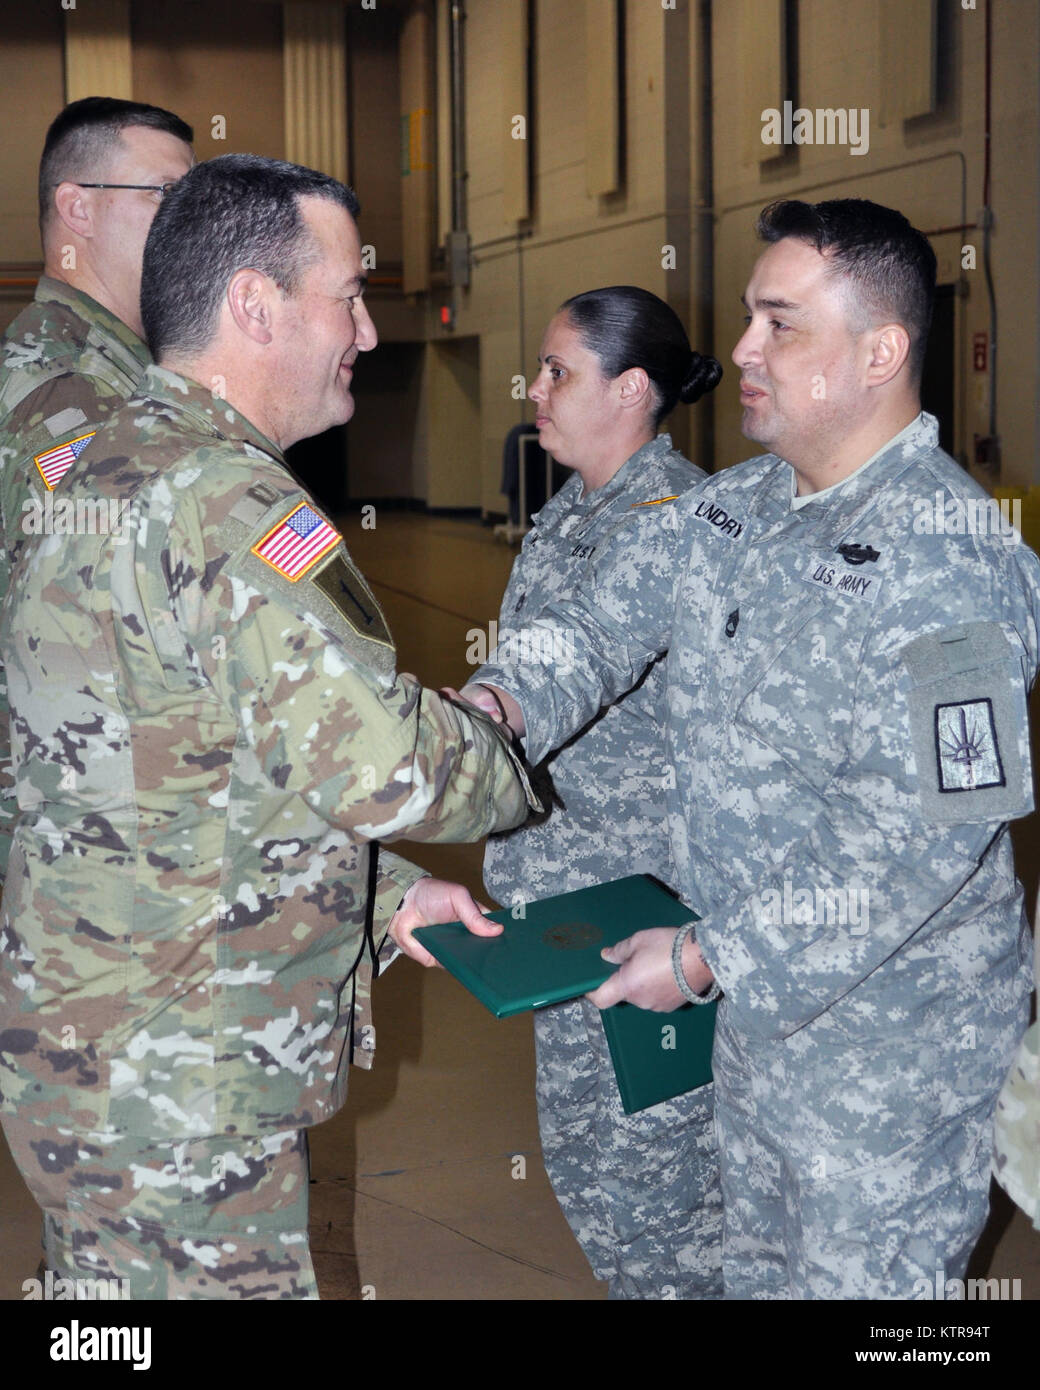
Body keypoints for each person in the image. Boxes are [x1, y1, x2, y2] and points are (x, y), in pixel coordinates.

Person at [467, 198, 1040, 1298]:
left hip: (888, 1056)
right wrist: (496, 703)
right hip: (757, 1029)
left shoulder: (949, 561)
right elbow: (591, 625)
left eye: (779, 324)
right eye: (745, 318)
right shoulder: (734, 513)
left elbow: (919, 840)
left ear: (879, 351)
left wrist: (698, 958)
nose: (739, 351)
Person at [0, 154, 538, 1300]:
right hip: (187, 1087)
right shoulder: (224, 501)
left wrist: (386, 899)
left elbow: (160, 759)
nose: (368, 330)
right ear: (255, 303)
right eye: (345, 295)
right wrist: (500, 746)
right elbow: (387, 767)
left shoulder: (87, 465)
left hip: (92, 1055)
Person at [477, 286, 723, 1299]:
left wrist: (478, 710)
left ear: (629, 390)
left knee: (660, 1206)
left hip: (644, 916)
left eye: (557, 372)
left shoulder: (667, 519)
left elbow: (569, 658)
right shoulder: (573, 512)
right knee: (585, 1170)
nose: (533, 390)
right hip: (565, 908)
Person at [0, 97, 195, 878]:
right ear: (76, 208)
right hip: (85, 843)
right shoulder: (70, 394)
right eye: (167, 199)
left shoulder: (121, 374)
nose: (190, 226)